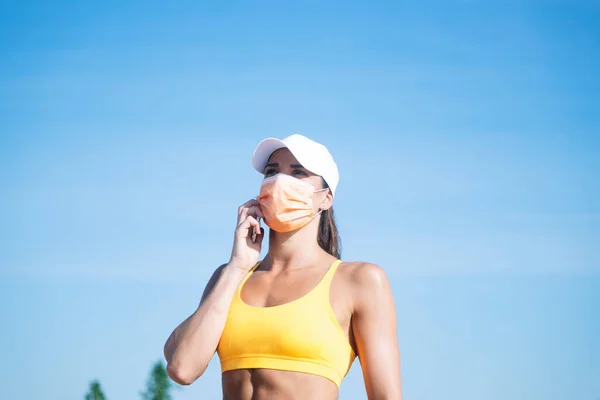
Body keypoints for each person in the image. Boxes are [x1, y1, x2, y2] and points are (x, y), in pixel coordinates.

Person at [163, 134, 402, 399]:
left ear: (326, 198)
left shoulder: (360, 280)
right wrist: (237, 266)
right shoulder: (229, 277)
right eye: (271, 172)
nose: (280, 182)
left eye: (298, 173)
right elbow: (182, 369)